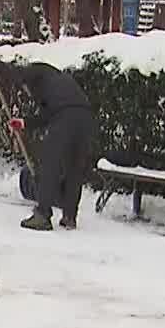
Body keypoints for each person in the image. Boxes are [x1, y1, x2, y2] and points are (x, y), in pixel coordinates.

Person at [8, 62, 99, 231]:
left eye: (24, 87)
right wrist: (24, 122)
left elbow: (13, 72)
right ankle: (69, 216)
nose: (26, 92)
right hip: (85, 118)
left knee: (50, 164)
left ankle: (42, 215)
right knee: (74, 168)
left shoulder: (37, 76)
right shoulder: (59, 82)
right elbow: (49, 115)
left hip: (65, 118)